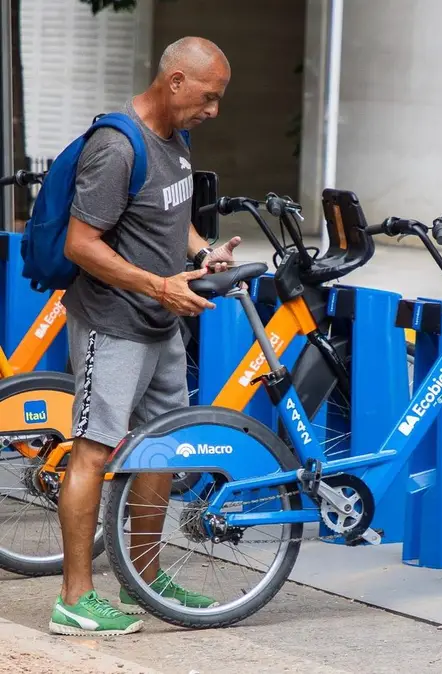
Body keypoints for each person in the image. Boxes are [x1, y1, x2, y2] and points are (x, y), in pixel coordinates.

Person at [49, 37, 236, 636]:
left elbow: (167, 218)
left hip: (162, 322)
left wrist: (205, 254)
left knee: (166, 445)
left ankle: (149, 578)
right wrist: (158, 287)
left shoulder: (176, 139)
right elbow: (82, 245)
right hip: (115, 321)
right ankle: (74, 599)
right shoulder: (117, 146)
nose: (213, 111)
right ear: (176, 81)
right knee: (95, 449)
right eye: (208, 97)